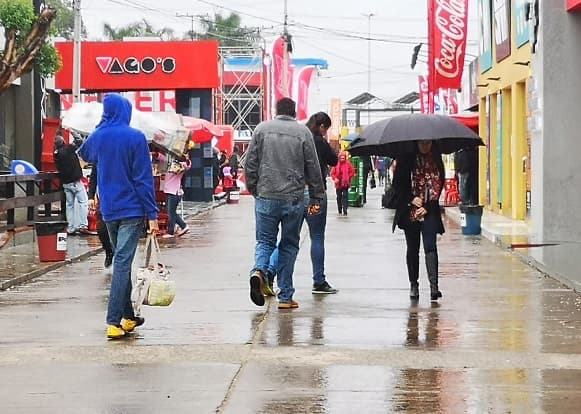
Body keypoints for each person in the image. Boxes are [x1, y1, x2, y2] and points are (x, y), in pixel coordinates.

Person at [79, 93, 159, 339]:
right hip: (132, 209)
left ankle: (129, 316)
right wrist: (152, 214)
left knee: (121, 261)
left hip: (109, 211)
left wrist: (101, 127)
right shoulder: (136, 137)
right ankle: (113, 321)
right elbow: (143, 179)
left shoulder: (99, 135)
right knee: (123, 263)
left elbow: (84, 154)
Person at [245, 97, 325, 309]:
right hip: (293, 198)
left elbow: (250, 163)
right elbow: (313, 167)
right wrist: (317, 196)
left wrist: (254, 189)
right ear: (294, 112)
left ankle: (259, 271)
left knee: (265, 241)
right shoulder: (303, 132)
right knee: (289, 245)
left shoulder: (261, 130)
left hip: (266, 195)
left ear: (276, 110)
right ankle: (286, 297)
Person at [392, 140, 445, 301]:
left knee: (430, 247)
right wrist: (411, 199)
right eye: (422, 143)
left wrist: (428, 206)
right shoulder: (406, 158)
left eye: (428, 143)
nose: (425, 146)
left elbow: (439, 183)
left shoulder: (435, 158)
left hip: (430, 210)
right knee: (413, 249)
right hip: (411, 211)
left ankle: (434, 287)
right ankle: (414, 285)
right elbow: (397, 185)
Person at [304, 111, 339, 294]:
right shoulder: (318, 141)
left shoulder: (300, 137)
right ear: (322, 126)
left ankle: (269, 273)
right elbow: (334, 160)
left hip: (296, 192)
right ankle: (319, 281)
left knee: (289, 238)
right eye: (326, 128)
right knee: (317, 237)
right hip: (316, 193)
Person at [53, 133, 90, 235]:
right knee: (83, 202)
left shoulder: (56, 154)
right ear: (63, 142)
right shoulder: (68, 149)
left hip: (65, 183)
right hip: (75, 181)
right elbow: (79, 140)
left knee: (69, 205)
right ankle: (83, 225)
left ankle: (71, 227)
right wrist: (72, 131)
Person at [87, 164, 113, 268]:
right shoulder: (98, 158)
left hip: (122, 199)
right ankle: (109, 251)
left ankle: (120, 260)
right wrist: (90, 196)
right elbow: (93, 178)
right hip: (104, 199)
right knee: (101, 228)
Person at [162, 154, 191, 239]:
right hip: (170, 191)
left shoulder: (180, 166)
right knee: (171, 212)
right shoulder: (170, 164)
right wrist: (156, 154)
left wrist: (187, 159)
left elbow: (187, 165)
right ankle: (184, 226)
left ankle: (171, 231)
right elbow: (163, 159)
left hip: (174, 192)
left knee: (171, 213)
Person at [331, 151, 356, 216]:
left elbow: (352, 172)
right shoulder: (336, 164)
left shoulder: (348, 164)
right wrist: (335, 178)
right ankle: (339, 209)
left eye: (343, 158)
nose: (342, 159)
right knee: (339, 197)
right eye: (341, 158)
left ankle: (345, 209)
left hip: (345, 183)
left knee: (345, 196)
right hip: (338, 183)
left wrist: (347, 176)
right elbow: (332, 173)